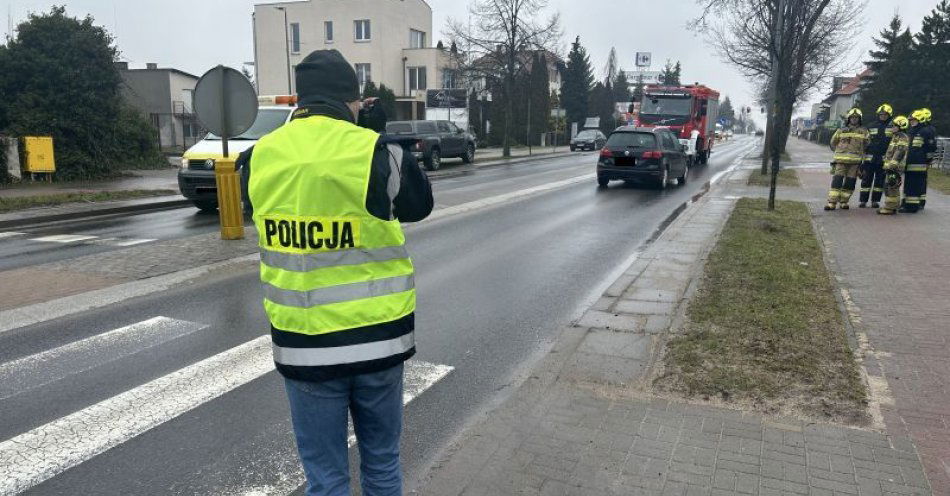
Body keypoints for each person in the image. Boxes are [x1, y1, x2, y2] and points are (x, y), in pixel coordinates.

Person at [238, 49, 433, 496]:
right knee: (382, 465)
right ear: (353, 100)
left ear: (301, 100)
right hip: (380, 340)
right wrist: (375, 136)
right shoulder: (376, 151)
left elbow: (255, 210)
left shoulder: (258, 157)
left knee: (325, 479)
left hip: (305, 347)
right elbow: (419, 205)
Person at [825, 108, 870, 211]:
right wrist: (838, 153)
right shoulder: (841, 130)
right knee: (837, 181)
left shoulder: (864, 131)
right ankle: (832, 202)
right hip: (840, 161)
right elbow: (833, 142)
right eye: (852, 117)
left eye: (856, 118)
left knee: (850, 183)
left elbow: (867, 145)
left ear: (860, 119)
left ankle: (844, 202)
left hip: (855, 163)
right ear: (849, 119)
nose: (854, 119)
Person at [901, 108, 937, 213]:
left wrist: (928, 161)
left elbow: (930, 148)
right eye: (910, 120)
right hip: (909, 164)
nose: (911, 122)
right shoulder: (912, 131)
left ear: (920, 120)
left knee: (914, 186)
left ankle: (912, 207)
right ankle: (906, 204)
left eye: (913, 120)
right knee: (908, 185)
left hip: (918, 165)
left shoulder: (925, 131)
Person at [859, 104, 893, 209]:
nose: (882, 116)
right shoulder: (871, 126)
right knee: (866, 180)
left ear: (889, 115)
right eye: (881, 114)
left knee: (879, 181)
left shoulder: (892, 127)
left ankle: (875, 201)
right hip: (870, 159)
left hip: (883, 159)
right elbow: (864, 142)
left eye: (885, 114)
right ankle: (863, 201)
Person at [878, 115, 910, 215]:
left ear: (901, 126)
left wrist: (892, 166)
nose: (892, 128)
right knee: (890, 186)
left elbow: (899, 153)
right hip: (891, 166)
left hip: (894, 168)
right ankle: (891, 206)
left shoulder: (902, 138)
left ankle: (890, 208)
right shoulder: (896, 136)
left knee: (892, 187)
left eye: (894, 126)